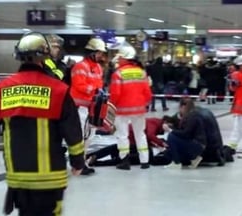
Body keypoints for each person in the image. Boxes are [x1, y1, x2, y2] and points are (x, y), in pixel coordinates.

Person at [0, 32, 85, 216]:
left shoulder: (1, 90)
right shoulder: (57, 90)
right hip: (49, 173)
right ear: (44, 57)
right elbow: (72, 131)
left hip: (17, 173)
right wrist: (78, 160)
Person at [109, 42, 152, 170]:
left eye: (120, 57)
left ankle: (125, 161)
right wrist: (145, 104)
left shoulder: (118, 73)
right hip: (139, 110)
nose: (119, 60)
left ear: (124, 58)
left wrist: (112, 106)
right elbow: (147, 93)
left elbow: (115, 94)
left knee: (122, 135)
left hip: (122, 110)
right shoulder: (142, 73)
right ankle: (145, 161)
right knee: (140, 134)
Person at [70, 37, 106, 175]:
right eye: (98, 53)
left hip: (93, 107)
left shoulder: (97, 67)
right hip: (80, 107)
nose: (100, 56)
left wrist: (99, 91)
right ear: (91, 52)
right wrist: (94, 89)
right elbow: (79, 85)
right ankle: (78, 164)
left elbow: (100, 84)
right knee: (81, 136)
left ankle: (81, 162)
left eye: (101, 53)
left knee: (90, 135)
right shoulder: (80, 66)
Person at [87, 117, 171, 166]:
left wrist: (157, 144)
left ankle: (89, 156)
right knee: (123, 156)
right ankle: (96, 162)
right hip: (132, 138)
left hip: (130, 136)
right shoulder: (155, 122)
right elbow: (149, 135)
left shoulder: (155, 123)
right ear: (165, 122)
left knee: (116, 149)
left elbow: (147, 137)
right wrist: (162, 143)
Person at [163, 98, 206, 169]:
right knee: (169, 152)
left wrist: (170, 130)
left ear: (183, 107)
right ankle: (194, 159)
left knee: (171, 136)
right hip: (199, 144)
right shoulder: (193, 114)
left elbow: (186, 134)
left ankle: (176, 163)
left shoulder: (192, 117)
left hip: (197, 144)